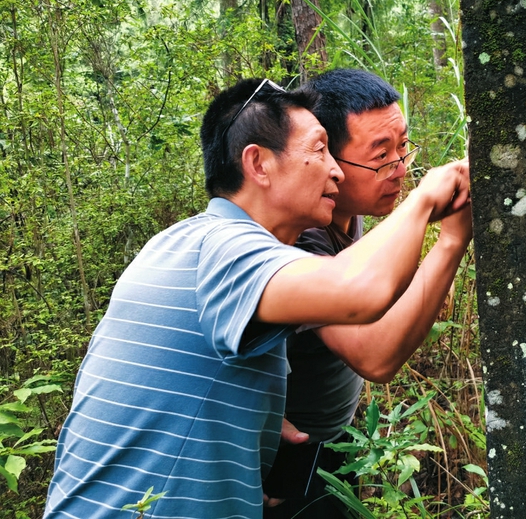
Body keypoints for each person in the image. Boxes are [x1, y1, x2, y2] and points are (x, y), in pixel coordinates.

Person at [43, 78, 470, 519]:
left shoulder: (187, 242)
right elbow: (360, 293)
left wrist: (257, 428)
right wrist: (428, 204)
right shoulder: (225, 249)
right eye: (319, 151)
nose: (336, 171)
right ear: (259, 165)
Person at [261, 69, 473, 518]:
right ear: (327, 158)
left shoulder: (348, 210)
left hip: (332, 436)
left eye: (402, 146)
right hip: (286, 459)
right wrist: (451, 241)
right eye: (381, 155)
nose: (401, 167)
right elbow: (374, 354)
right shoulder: (299, 237)